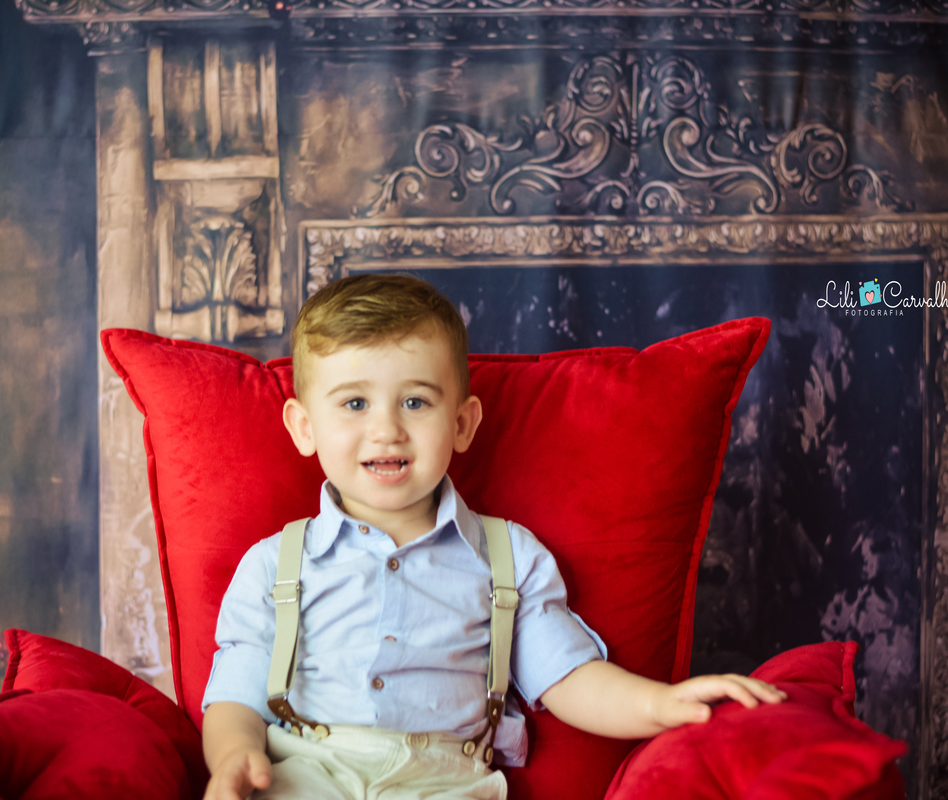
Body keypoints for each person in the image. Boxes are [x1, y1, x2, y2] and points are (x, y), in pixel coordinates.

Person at [201, 274, 785, 800]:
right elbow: (236, 694)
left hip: (447, 781)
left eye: (414, 401)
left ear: (461, 423)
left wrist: (661, 703)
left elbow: (568, 678)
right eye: (355, 403)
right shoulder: (274, 565)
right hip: (309, 770)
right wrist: (233, 755)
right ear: (304, 428)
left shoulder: (509, 559)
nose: (386, 429)